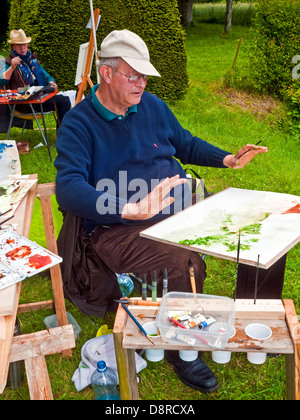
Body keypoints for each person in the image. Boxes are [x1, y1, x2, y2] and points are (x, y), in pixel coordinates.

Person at [55, 29, 268, 394]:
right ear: (106, 74)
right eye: (132, 75)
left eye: (144, 76)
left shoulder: (151, 106)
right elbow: (68, 189)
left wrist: (227, 159)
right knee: (182, 262)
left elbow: (184, 143)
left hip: (174, 206)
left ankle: (261, 317)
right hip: (117, 227)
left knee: (257, 223)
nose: (141, 84)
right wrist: (130, 209)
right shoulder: (79, 123)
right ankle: (183, 351)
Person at [0, 29, 71, 127]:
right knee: (64, 101)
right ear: (13, 46)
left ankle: (63, 134)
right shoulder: (7, 62)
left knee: (65, 99)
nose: (22, 48)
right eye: (19, 45)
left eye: (24, 44)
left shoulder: (32, 60)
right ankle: (63, 135)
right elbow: (3, 80)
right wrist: (12, 67)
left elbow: (47, 76)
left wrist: (51, 82)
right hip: (25, 102)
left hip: (40, 98)